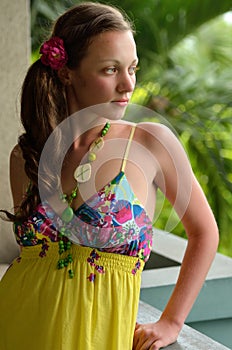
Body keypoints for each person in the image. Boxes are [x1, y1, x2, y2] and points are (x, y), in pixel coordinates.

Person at [0, 2, 219, 350]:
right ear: (67, 72)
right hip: (19, 323)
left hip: (101, 335)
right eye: (110, 69)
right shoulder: (27, 155)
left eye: (132, 68)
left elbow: (205, 232)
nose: (127, 83)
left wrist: (172, 321)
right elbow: (30, 258)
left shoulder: (150, 142)